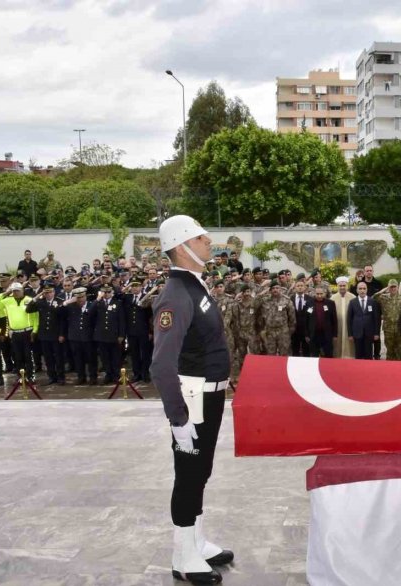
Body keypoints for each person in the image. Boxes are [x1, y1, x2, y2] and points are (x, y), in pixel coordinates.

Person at [149, 215, 233, 585]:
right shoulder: (177, 294)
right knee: (188, 475)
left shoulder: (195, 286)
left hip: (209, 395)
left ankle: (196, 541)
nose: (208, 242)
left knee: (201, 472)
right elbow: (161, 364)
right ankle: (183, 555)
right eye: (201, 238)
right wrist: (179, 419)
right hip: (193, 399)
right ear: (183, 247)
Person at [25, 283, 66, 386]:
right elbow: (28, 309)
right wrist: (37, 296)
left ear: (54, 292)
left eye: (50, 292)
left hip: (56, 334)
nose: (48, 294)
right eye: (46, 292)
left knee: (58, 357)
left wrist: (61, 334)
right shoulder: (40, 302)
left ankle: (61, 377)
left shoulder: (59, 302)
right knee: (48, 358)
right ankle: (52, 377)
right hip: (44, 335)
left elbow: (62, 320)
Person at [0, 282, 38, 382]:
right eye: (14, 291)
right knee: (17, 356)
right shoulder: (7, 301)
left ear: (22, 290)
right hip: (15, 333)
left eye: (17, 291)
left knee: (28, 356)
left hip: (27, 332)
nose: (15, 293)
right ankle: (21, 377)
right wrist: (6, 293)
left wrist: (35, 330)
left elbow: (36, 317)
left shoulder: (28, 300)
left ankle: (31, 376)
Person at [92, 285, 125, 385]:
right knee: (104, 357)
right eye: (104, 292)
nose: (106, 294)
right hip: (101, 335)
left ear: (112, 292)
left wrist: (121, 335)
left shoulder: (118, 303)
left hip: (114, 335)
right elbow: (90, 313)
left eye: (108, 292)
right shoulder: (98, 303)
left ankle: (116, 375)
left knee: (115, 357)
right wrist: (97, 300)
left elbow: (121, 320)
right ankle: (108, 374)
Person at [63, 287, 97, 385]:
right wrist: (66, 302)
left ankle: (93, 377)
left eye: (82, 297)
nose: (80, 299)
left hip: (88, 337)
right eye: (78, 298)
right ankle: (81, 377)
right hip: (75, 337)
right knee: (78, 359)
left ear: (85, 296)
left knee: (91, 358)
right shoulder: (71, 306)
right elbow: (60, 313)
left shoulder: (91, 305)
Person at [373, 279, 401, 360]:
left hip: (399, 329)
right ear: (388, 288)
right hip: (388, 328)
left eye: (394, 287)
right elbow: (373, 297)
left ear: (397, 287)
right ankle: (390, 368)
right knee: (389, 349)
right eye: (391, 287)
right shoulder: (383, 298)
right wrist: (384, 290)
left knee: (399, 349)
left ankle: (400, 368)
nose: (393, 289)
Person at [347, 281, 380, 360]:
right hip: (357, 333)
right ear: (357, 290)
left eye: (364, 288)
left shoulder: (373, 302)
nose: (362, 290)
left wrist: (376, 333)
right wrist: (350, 334)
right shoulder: (352, 302)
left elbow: (376, 319)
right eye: (360, 288)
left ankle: (368, 370)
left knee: (368, 355)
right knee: (358, 355)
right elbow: (349, 319)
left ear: (367, 290)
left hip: (369, 333)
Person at [261, 284, 295, 356]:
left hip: (283, 331)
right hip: (269, 332)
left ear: (280, 289)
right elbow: (254, 305)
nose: (275, 290)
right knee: (270, 354)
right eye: (273, 288)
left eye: (277, 288)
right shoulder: (265, 300)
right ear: (270, 290)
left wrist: (290, 330)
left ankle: (283, 367)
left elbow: (292, 316)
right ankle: (272, 367)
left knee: (284, 353)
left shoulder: (286, 300)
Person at [305, 285, 337, 358]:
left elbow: (334, 320)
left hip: (327, 334)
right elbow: (306, 319)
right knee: (314, 355)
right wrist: (306, 334)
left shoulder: (330, 303)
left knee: (328, 354)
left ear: (324, 293)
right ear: (314, 293)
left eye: (321, 294)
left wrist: (335, 335)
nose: (319, 296)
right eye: (317, 294)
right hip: (314, 334)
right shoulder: (309, 303)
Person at [332, 276, 355, 359]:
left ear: (347, 286)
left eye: (344, 285)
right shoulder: (332, 298)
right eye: (340, 286)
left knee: (349, 343)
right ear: (337, 286)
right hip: (337, 325)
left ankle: (349, 356)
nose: (342, 287)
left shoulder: (353, 297)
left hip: (349, 326)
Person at [289, 281, 313, 357]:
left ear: (305, 287)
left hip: (305, 329)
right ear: (295, 288)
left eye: (302, 285)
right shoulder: (290, 299)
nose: (300, 287)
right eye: (298, 286)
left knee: (306, 350)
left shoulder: (310, 299)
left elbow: (311, 314)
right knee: (295, 350)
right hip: (294, 329)